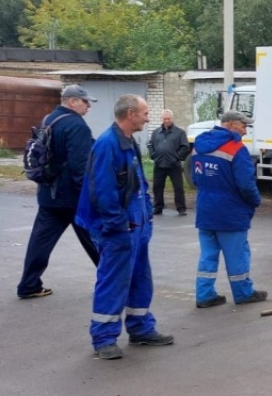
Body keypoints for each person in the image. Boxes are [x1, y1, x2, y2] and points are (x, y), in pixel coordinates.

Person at [75, 95, 174, 360]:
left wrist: (147, 218)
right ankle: (104, 338)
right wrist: (118, 224)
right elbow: (103, 191)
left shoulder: (128, 141)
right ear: (130, 114)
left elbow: (137, 183)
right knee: (114, 281)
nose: (148, 117)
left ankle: (141, 327)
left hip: (135, 225)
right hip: (119, 228)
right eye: (144, 113)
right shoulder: (109, 144)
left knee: (140, 279)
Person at [17, 84, 100, 299]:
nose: (88, 105)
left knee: (40, 242)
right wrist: (92, 197)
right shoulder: (76, 125)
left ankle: (29, 285)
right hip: (72, 198)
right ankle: (116, 281)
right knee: (96, 239)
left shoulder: (48, 120)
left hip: (48, 195)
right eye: (85, 101)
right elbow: (79, 167)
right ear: (72, 101)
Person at [192, 110, 267, 308]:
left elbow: (194, 178)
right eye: (243, 126)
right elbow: (245, 184)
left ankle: (204, 294)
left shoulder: (199, 145)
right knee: (237, 255)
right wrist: (255, 201)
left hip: (205, 208)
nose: (245, 130)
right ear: (232, 124)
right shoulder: (236, 148)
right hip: (230, 211)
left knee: (208, 255)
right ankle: (243, 293)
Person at [147, 109, 190, 216]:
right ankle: (158, 207)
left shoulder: (180, 133)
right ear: (162, 119)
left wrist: (176, 157)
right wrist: (154, 155)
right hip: (159, 164)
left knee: (178, 187)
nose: (166, 121)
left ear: (172, 118)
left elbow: (185, 147)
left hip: (174, 165)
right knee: (157, 187)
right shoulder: (156, 132)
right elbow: (150, 145)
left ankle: (181, 208)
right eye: (164, 118)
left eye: (168, 118)